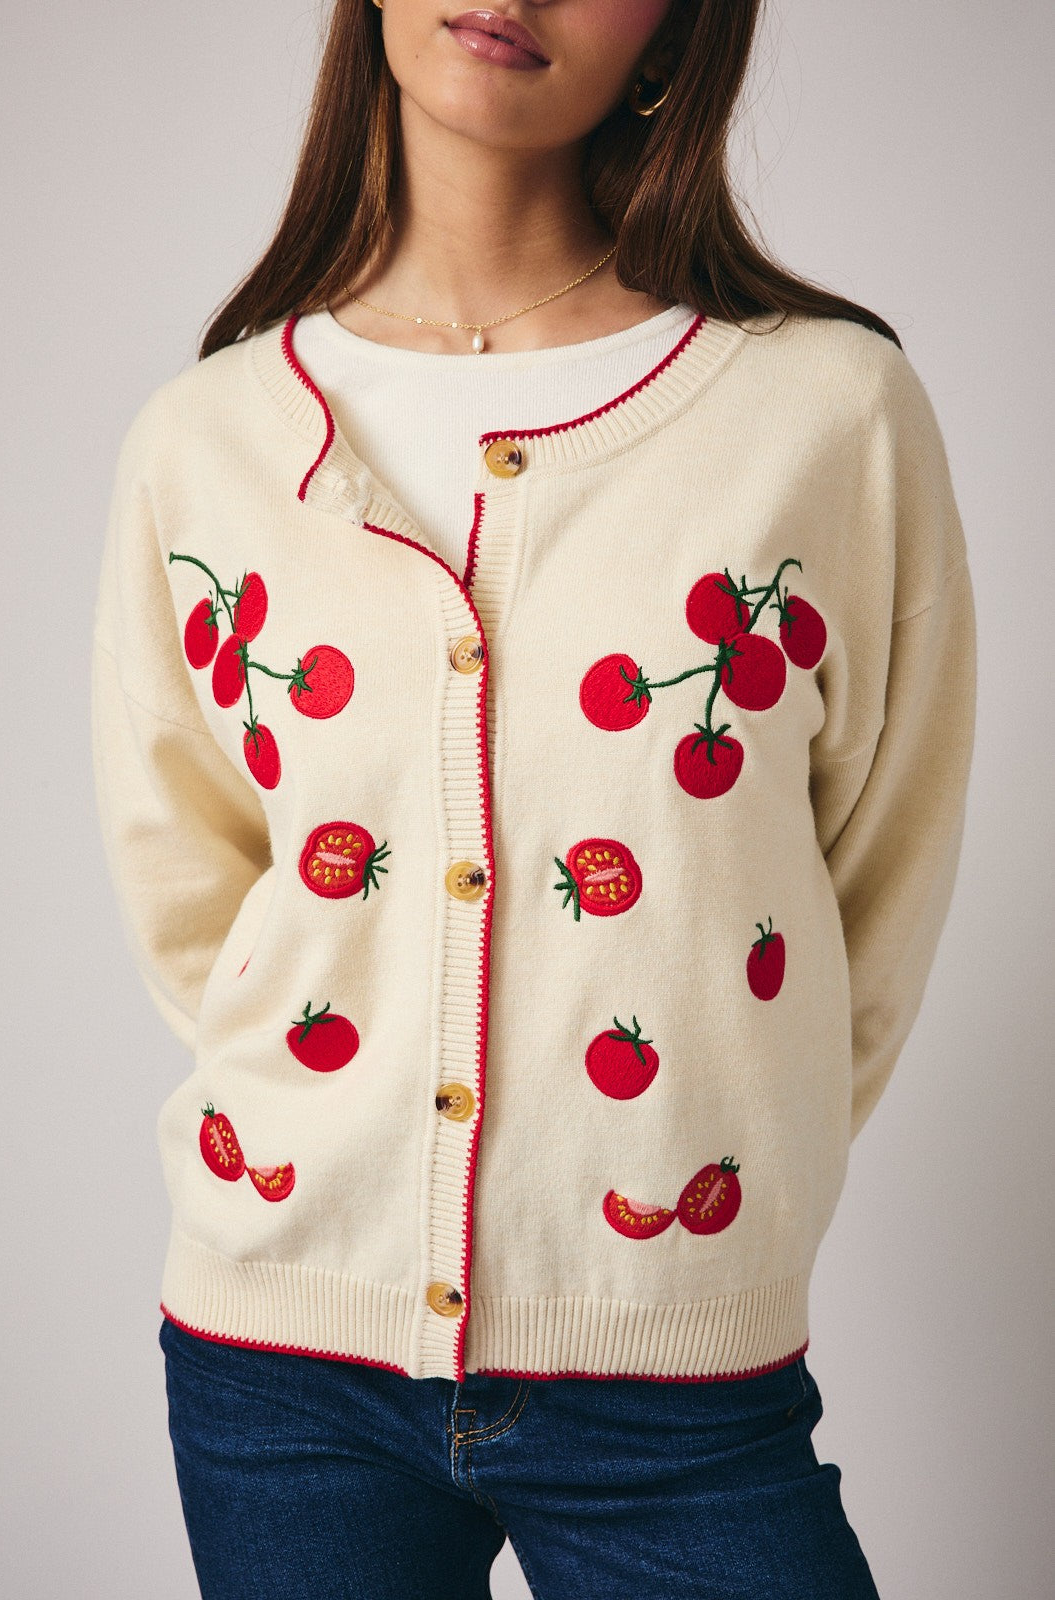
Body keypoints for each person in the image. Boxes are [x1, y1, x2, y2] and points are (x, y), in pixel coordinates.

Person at [90, 1, 977, 1595]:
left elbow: (880, 883)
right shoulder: (204, 442)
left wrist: (708, 1172)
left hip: (678, 1367)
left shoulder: (827, 417)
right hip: (279, 1362)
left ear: (676, 32)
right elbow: (195, 899)